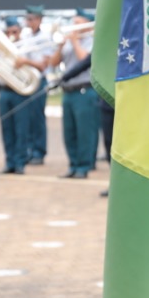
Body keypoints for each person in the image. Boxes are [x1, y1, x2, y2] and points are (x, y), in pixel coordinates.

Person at [50, 10, 99, 179]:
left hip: (84, 91)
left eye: (78, 23)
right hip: (68, 91)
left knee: (84, 131)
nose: (74, 26)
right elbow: (54, 62)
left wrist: (75, 41)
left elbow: (84, 59)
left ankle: (84, 166)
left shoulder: (92, 40)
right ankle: (73, 164)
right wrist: (61, 46)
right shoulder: (68, 41)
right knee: (69, 132)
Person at [19, 5, 56, 165]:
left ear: (40, 19)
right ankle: (28, 150)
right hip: (25, 81)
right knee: (26, 118)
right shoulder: (25, 36)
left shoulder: (45, 38)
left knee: (37, 118)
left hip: (38, 81)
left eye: (32, 19)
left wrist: (25, 62)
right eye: (27, 19)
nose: (29, 22)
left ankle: (39, 152)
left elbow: (43, 65)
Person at [0, 18, 31, 175]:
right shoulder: (0, 48)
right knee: (6, 129)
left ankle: (20, 163)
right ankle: (9, 161)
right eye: (8, 32)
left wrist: (25, 62)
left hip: (19, 92)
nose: (11, 35)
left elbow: (38, 66)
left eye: (14, 32)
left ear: (19, 31)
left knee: (21, 129)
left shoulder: (26, 47)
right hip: (4, 90)